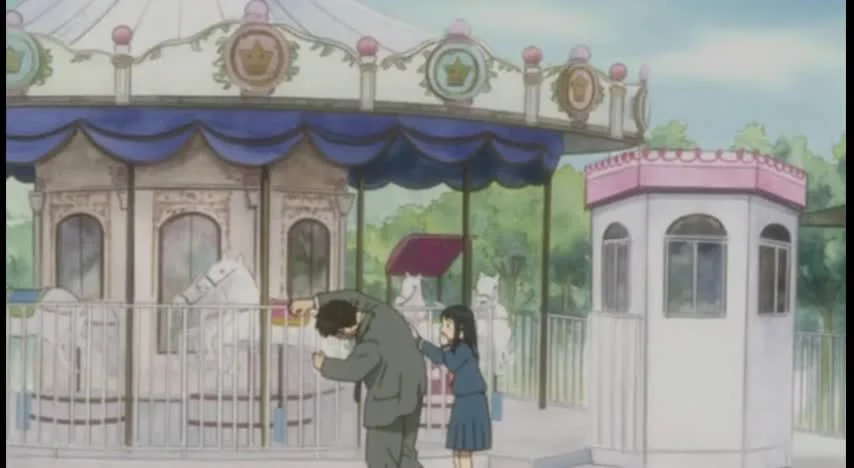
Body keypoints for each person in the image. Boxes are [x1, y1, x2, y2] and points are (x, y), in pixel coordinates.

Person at [291, 291, 427, 468]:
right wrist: (313, 302)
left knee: (381, 460)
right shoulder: (381, 312)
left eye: (337, 336)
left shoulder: (370, 342)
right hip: (413, 391)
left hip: (389, 403)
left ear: (345, 330)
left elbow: (353, 369)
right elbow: (354, 297)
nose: (340, 339)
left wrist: (324, 364)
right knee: (406, 457)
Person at [411, 304, 492, 468]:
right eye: (443, 324)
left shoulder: (464, 349)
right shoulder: (457, 349)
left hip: (471, 403)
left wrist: (440, 345)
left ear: (461, 331)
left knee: (464, 450)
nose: (443, 328)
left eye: (448, 325)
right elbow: (441, 357)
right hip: (464, 401)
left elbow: (449, 362)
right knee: (458, 449)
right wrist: (421, 343)